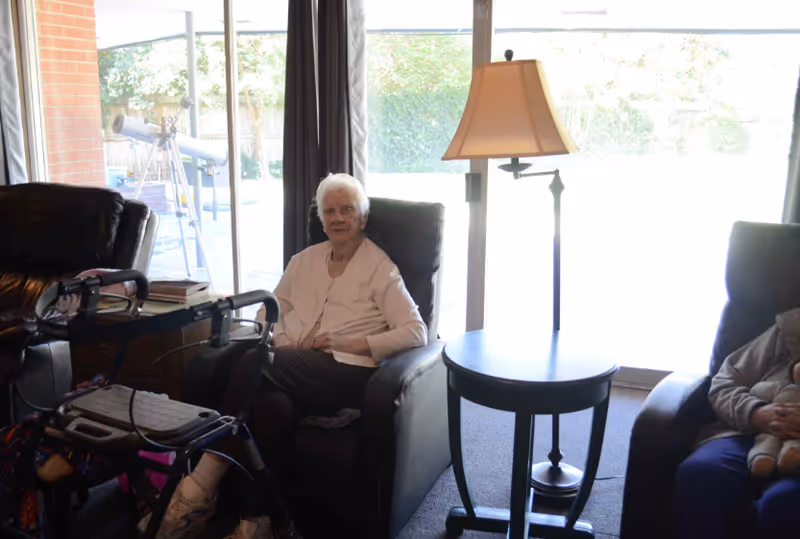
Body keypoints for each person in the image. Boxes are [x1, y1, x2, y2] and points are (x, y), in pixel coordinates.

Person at [146, 173, 428, 539]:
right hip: (293, 367)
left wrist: (352, 343)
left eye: (347, 210)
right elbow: (269, 310)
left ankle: (199, 485)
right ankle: (256, 520)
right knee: (269, 408)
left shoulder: (380, 269)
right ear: (321, 218)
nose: (338, 218)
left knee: (254, 363)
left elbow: (416, 331)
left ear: (362, 218)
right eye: (330, 211)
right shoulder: (303, 261)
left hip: (349, 374)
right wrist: (281, 341)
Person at [675, 307, 800, 539]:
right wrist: (757, 414)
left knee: (783, 504)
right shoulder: (789, 329)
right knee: (702, 473)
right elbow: (725, 382)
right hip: (746, 430)